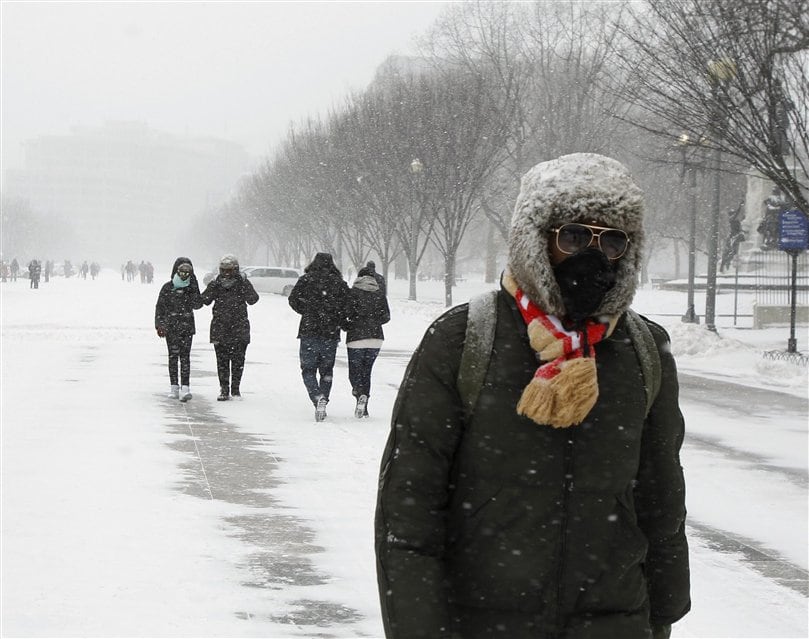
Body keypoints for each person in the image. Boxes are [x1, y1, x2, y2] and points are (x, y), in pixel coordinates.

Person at [375, 153, 690, 639]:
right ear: (535, 238)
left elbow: (661, 497)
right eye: (573, 236)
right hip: (481, 621)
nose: (593, 254)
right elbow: (409, 508)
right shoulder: (464, 339)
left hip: (612, 622)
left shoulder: (642, 349)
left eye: (612, 240)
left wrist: (664, 613)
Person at [288, 252, 349, 421]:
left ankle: (317, 397)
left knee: (308, 369)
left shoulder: (305, 280)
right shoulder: (339, 283)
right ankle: (323, 398)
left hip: (309, 330)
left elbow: (293, 299)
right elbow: (347, 305)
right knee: (326, 370)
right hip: (330, 332)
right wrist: (336, 316)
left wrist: (306, 311)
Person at [201, 254, 259, 401]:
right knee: (222, 361)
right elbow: (204, 300)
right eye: (224, 270)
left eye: (230, 270)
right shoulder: (216, 283)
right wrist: (211, 285)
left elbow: (253, 299)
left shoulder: (242, 283)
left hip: (239, 327)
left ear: (236, 270)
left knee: (238, 361)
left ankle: (236, 389)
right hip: (220, 328)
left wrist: (244, 283)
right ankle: (224, 389)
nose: (227, 274)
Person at [342, 266, 390, 418]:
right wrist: (373, 322)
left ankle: (359, 394)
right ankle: (365, 405)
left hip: (356, 338)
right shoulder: (379, 293)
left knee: (354, 373)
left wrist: (349, 325)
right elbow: (386, 317)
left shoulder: (352, 292)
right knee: (366, 371)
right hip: (376, 338)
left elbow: (346, 313)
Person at [155, 258, 203, 401]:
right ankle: (174, 386)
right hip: (171, 327)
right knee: (173, 356)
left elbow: (198, 305)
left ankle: (185, 387)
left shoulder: (191, 288)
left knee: (185, 357)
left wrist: (194, 287)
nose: (184, 275)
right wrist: (160, 324)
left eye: (187, 272)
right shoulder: (167, 287)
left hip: (187, 327)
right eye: (181, 271)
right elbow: (160, 308)